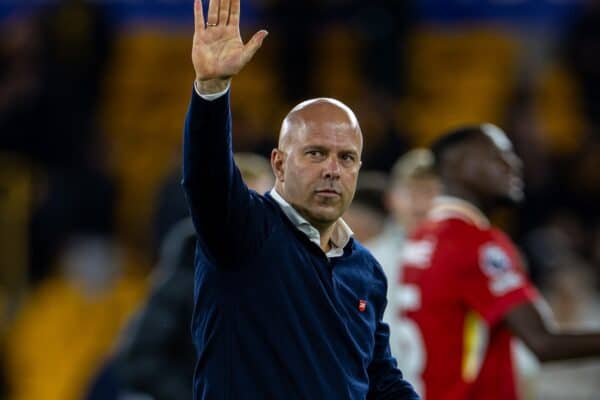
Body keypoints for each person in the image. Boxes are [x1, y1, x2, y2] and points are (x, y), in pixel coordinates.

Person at [182, 0, 420, 398]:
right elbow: (205, 179)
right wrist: (211, 90)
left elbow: (378, 377)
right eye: (315, 153)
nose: (332, 169)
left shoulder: (366, 269)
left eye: (346, 158)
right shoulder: (244, 231)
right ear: (278, 163)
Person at [398, 123, 600, 399]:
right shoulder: (475, 242)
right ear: (457, 164)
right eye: (499, 155)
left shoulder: (420, 238)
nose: (513, 164)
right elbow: (543, 343)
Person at [365, 149, 440, 366]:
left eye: (429, 192)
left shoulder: (463, 257)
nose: (419, 204)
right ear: (391, 198)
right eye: (411, 192)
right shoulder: (367, 261)